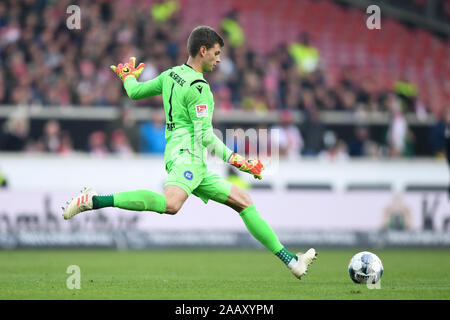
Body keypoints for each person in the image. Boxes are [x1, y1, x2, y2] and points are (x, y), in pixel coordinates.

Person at [62, 26, 316, 280]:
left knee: (243, 201)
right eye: (216, 53)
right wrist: (238, 160)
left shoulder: (172, 74)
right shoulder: (199, 88)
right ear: (202, 50)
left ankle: (292, 261)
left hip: (184, 156)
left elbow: (135, 92)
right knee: (171, 204)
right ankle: (95, 200)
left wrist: (127, 76)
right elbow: (205, 136)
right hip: (188, 156)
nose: (219, 59)